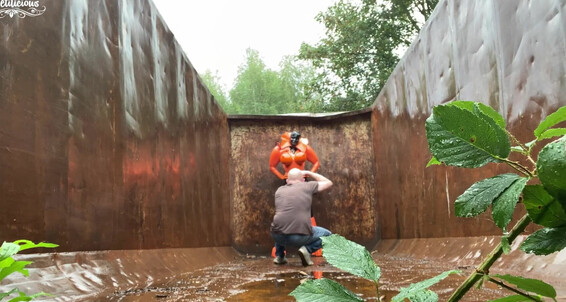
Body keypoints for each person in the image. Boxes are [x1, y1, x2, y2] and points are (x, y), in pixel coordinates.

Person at [270, 168, 333, 266]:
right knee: (327, 235)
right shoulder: (307, 186)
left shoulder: (279, 190)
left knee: (282, 224)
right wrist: (309, 172)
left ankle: (280, 256)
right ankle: (307, 250)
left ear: (287, 181)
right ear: (303, 180)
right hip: (298, 237)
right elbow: (328, 182)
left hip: (277, 236)